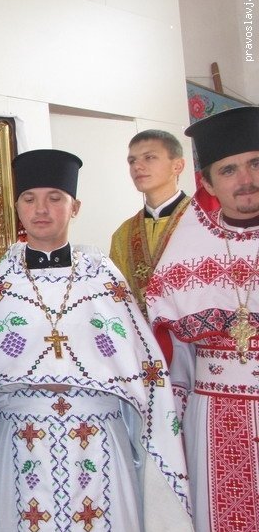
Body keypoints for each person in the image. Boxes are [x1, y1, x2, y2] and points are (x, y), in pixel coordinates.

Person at [0, 149, 193, 532]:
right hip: (22, 440)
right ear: (17, 208)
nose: (40, 209)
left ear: (75, 207)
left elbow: (146, 371)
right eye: (29, 199)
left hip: (98, 438)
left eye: (55, 198)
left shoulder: (105, 279)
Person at [146, 106, 259, 532]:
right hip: (214, 419)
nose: (245, 179)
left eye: (255, 163)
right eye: (228, 170)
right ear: (208, 184)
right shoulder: (185, 254)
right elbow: (171, 358)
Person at [109, 130, 189, 362]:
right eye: (132, 161)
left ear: (178, 166)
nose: (137, 166)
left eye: (149, 157)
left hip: (197, 343)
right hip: (144, 348)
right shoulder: (124, 233)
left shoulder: (202, 221)